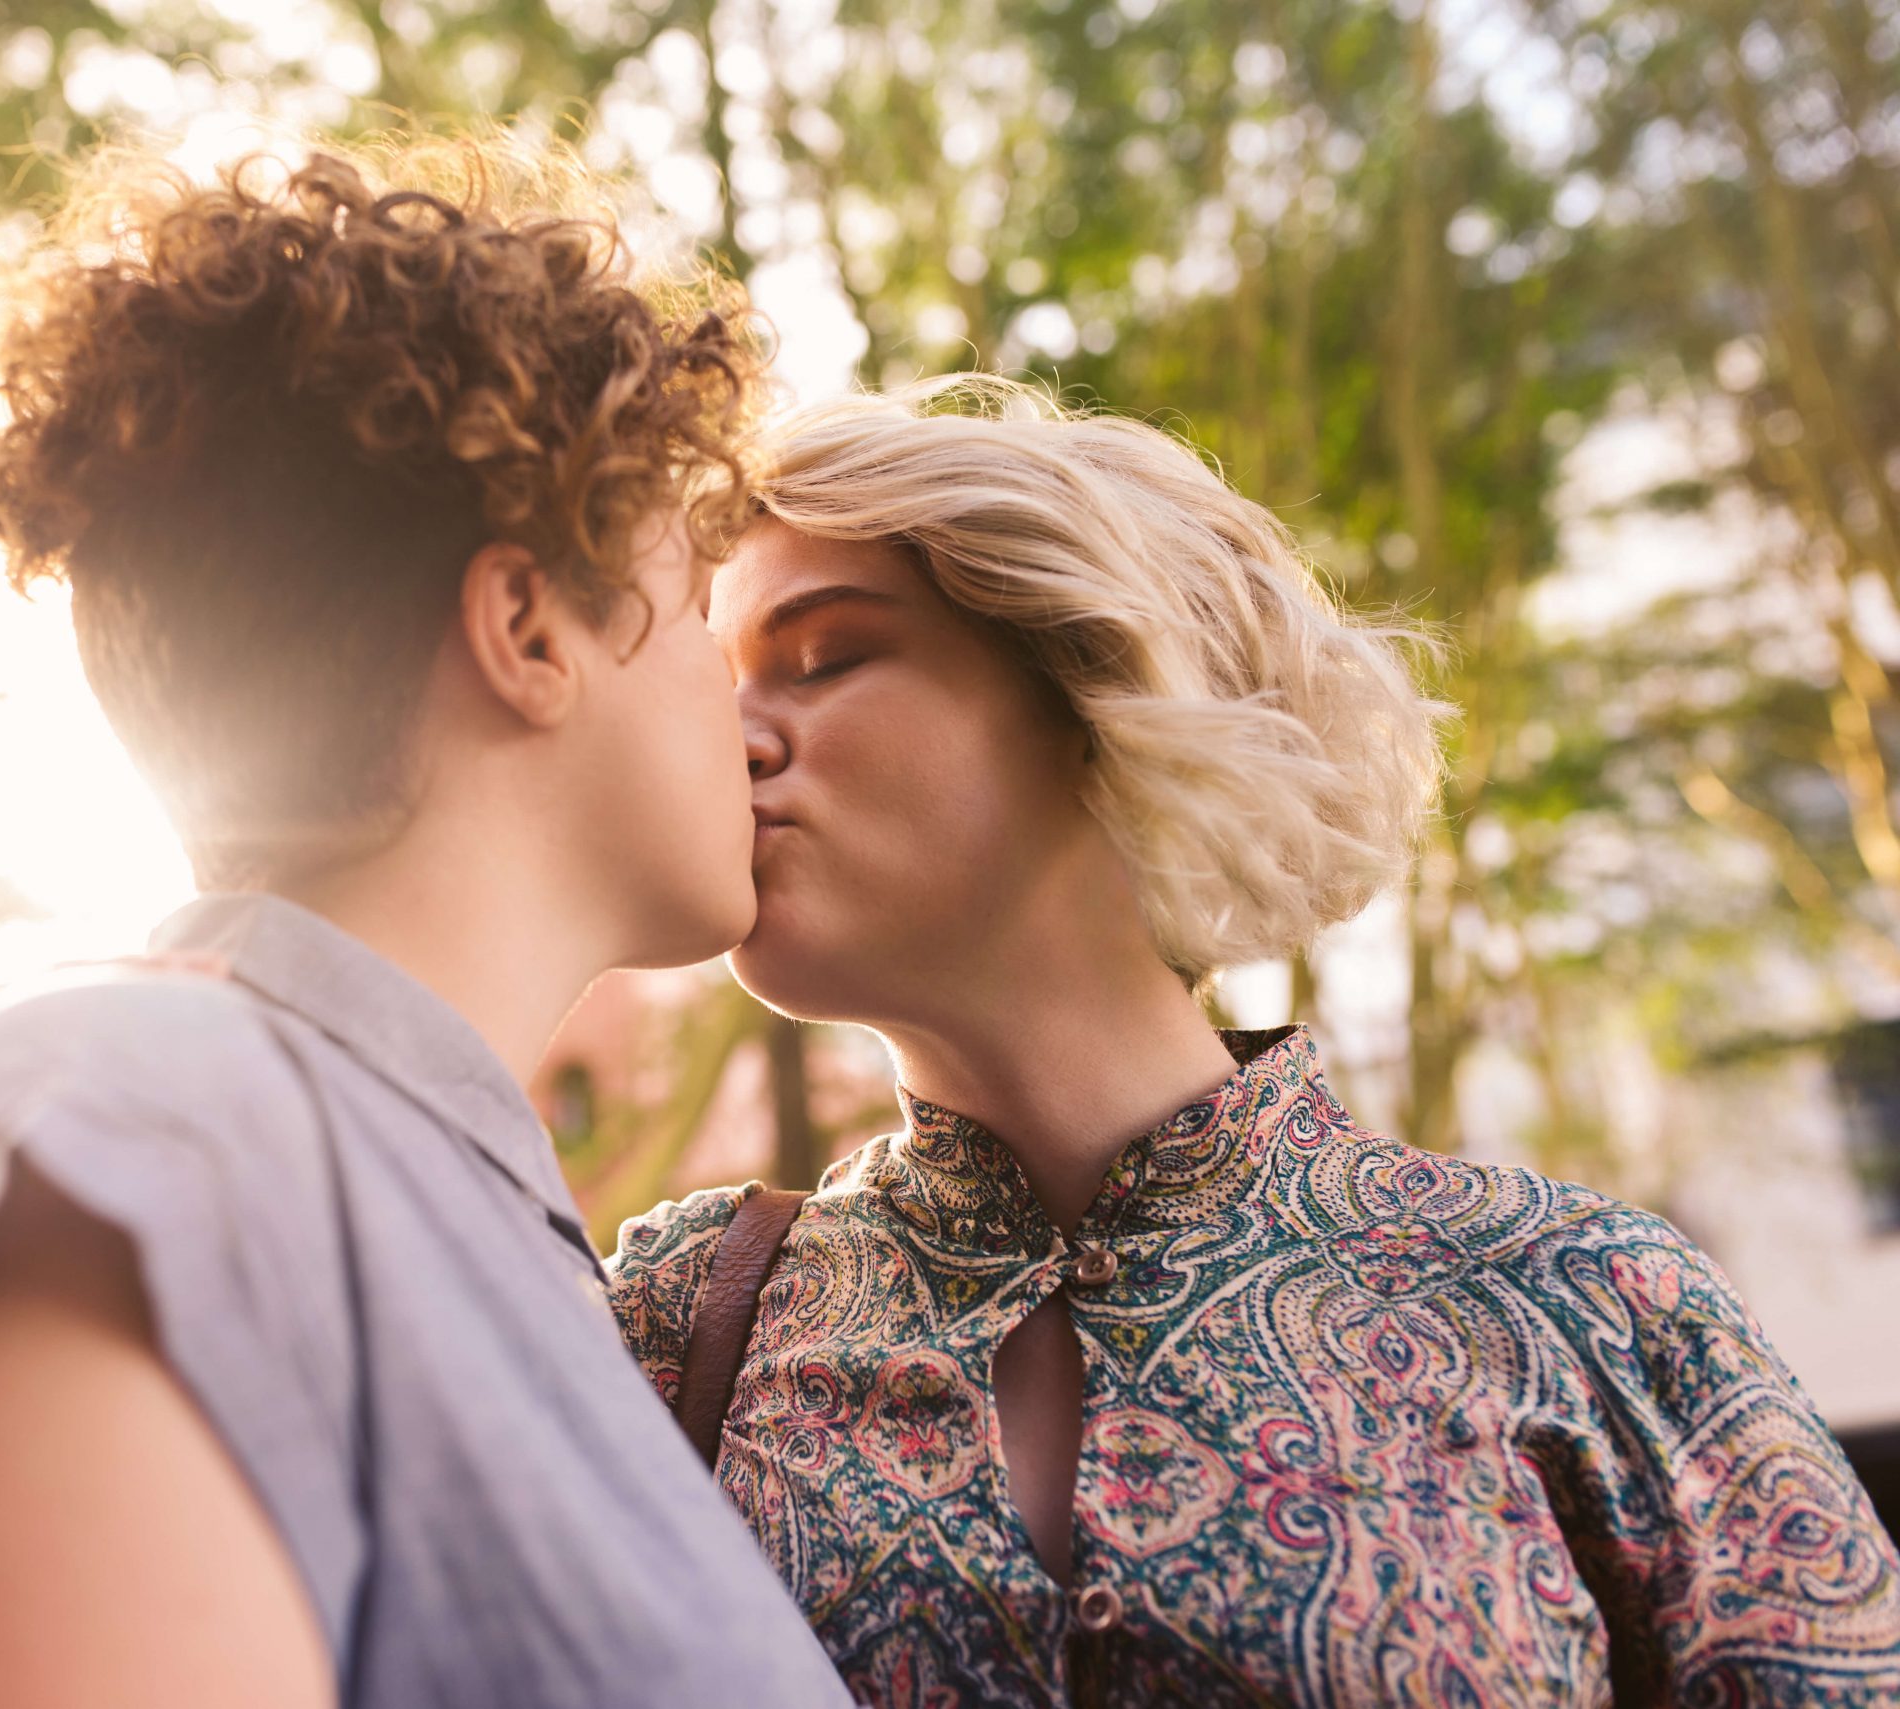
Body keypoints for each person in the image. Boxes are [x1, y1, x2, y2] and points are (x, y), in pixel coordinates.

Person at [0, 134, 857, 1709]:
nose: (749, 716)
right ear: (526, 629)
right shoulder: (138, 1131)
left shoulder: (421, 1210)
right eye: (700, 611)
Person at [608, 376, 1900, 1707]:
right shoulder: (664, 1325)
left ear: (1103, 699)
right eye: (716, 691)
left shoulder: (1587, 1302)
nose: (732, 743)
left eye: (824, 657)